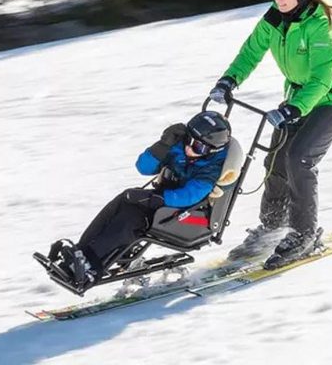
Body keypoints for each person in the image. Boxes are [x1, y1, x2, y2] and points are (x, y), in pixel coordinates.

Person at [209, 0, 332, 269]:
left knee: (299, 159)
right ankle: (272, 228)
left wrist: (294, 108)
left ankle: (304, 234)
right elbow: (251, 51)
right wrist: (228, 80)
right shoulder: (275, 17)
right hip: (298, 98)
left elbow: (322, 78)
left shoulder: (321, 25)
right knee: (276, 159)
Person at [48, 111, 231, 289]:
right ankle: (81, 255)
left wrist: (158, 199)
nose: (190, 148)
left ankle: (92, 267)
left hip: (188, 215)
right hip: (164, 203)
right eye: (189, 141)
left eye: (199, 148)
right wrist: (162, 146)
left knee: (132, 219)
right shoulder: (177, 145)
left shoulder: (212, 166)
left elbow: (192, 194)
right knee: (124, 200)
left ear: (213, 151)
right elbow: (143, 167)